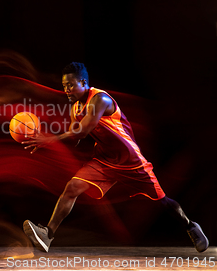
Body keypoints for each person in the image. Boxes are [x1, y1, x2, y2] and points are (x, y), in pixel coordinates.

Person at [21, 62, 209, 253]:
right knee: (72, 188)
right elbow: (75, 137)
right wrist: (47, 143)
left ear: (83, 82)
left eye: (70, 85)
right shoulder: (76, 108)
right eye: (64, 86)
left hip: (130, 160)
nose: (66, 89)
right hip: (104, 159)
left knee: (162, 201)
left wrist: (50, 138)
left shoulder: (100, 99)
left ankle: (190, 226)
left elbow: (84, 130)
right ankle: (48, 234)